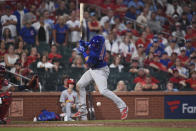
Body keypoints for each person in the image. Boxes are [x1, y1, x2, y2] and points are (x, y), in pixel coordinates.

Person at [72, 35, 128, 120]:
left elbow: (89, 62)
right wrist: (85, 43)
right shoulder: (101, 40)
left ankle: (123, 107)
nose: (92, 45)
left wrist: (83, 51)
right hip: (93, 69)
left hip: (100, 71)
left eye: (94, 44)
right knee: (79, 85)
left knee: (103, 91)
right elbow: (91, 44)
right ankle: (83, 109)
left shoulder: (95, 54)